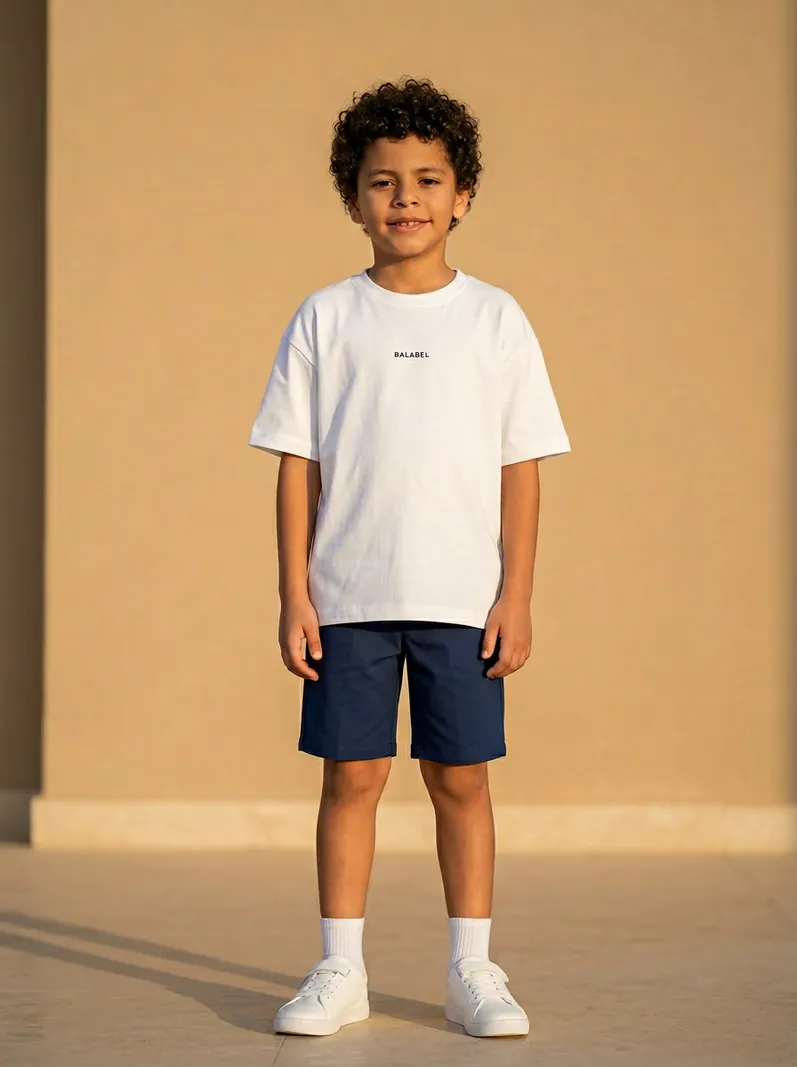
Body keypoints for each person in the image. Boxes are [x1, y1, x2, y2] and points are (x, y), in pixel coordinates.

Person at [248, 77, 571, 1039]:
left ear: (462, 193)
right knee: (351, 775)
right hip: (346, 596)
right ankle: (338, 967)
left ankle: (472, 967)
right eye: (382, 181)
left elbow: (522, 469)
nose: (406, 199)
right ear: (353, 198)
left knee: (460, 777)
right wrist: (292, 592)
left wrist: (515, 592)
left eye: (428, 180)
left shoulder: (496, 320)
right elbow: (295, 465)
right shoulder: (325, 317)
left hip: (462, 599)